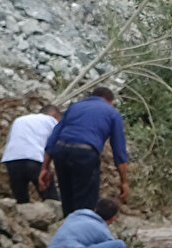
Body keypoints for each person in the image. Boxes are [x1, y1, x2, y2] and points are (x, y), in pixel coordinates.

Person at [39, 87, 131, 216]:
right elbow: (119, 151)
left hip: (61, 151)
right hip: (85, 154)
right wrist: (124, 182)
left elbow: (53, 138)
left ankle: (68, 224)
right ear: (111, 102)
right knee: (85, 203)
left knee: (67, 199)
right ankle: (82, 225)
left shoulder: (74, 107)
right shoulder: (112, 113)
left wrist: (44, 168)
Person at [2, 105, 62, 204]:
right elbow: (58, 144)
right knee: (51, 198)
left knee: (21, 200)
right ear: (53, 115)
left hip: (12, 159)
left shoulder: (19, 120)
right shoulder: (51, 121)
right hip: (34, 158)